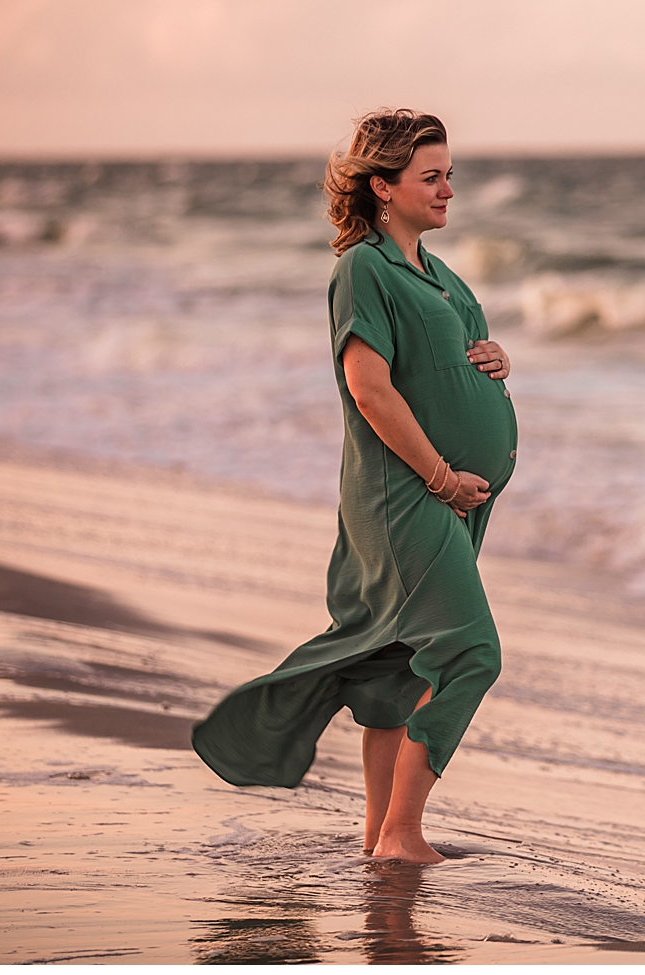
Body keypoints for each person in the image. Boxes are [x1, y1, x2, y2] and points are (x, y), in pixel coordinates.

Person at [191, 109, 516, 865]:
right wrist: (439, 476)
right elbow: (368, 387)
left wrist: (498, 359)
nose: (447, 191)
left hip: (450, 501)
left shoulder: (437, 271)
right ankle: (404, 833)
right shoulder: (362, 268)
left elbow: (455, 358)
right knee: (472, 654)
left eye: (450, 175)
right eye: (430, 177)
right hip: (406, 496)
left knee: (396, 671)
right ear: (382, 184)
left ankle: (377, 839)